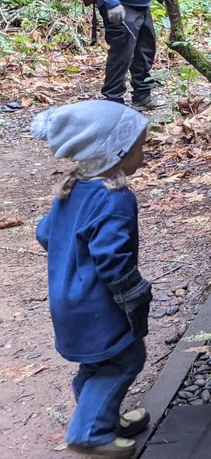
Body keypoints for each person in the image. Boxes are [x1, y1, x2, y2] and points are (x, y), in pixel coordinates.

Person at [33, 100, 153, 458]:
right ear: (115, 154)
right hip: (98, 303)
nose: (143, 154)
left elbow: (45, 233)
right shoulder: (115, 199)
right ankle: (90, 433)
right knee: (126, 358)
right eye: (138, 147)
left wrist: (71, 256)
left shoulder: (72, 189)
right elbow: (112, 260)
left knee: (99, 360)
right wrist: (134, 294)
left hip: (68, 300)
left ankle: (100, 414)